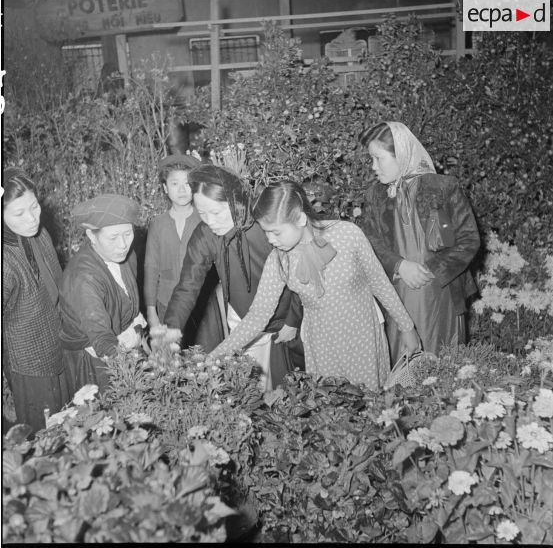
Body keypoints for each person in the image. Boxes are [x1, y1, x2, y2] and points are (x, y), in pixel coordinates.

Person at [209, 180, 420, 391]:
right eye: (266, 232)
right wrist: (217, 355)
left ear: (300, 218)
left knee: (370, 405)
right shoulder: (279, 260)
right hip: (321, 346)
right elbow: (258, 314)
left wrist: (407, 327)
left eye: (276, 232)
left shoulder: (347, 234)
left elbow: (379, 282)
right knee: (332, 410)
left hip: (363, 338)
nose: (270, 240)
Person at [164, 165, 304, 391]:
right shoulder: (206, 234)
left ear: (236, 202)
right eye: (203, 213)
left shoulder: (264, 225)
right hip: (241, 320)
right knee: (247, 389)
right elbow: (187, 286)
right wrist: (171, 330)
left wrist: (292, 320)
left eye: (217, 213)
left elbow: (299, 270)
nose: (210, 221)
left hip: (281, 320)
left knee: (284, 389)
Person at [358, 121, 480, 363]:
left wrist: (430, 271)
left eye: (378, 158)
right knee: (402, 362)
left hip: (439, 294)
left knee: (442, 363)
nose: (373, 166)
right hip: (397, 294)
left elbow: (469, 239)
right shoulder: (375, 195)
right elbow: (369, 240)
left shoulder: (442, 187)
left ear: (401, 155)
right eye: (371, 159)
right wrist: (400, 265)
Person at [2, 167, 71, 433]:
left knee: (68, 424)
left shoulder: (40, 235)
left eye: (34, 207)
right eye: (19, 213)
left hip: (58, 345)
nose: (32, 218)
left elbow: (58, 286)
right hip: (28, 365)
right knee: (42, 435)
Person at [59, 193, 146, 393]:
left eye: (128, 233)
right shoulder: (84, 278)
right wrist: (133, 340)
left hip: (123, 345)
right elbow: (103, 342)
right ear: (91, 236)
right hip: (94, 363)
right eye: (113, 237)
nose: (123, 244)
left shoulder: (124, 254)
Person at [144, 154, 224, 351]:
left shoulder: (206, 220)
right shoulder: (157, 224)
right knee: (171, 359)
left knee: (206, 357)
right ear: (165, 188)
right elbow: (151, 269)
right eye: (174, 184)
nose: (181, 190)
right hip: (166, 305)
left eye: (187, 183)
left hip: (202, 305)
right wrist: (152, 312)